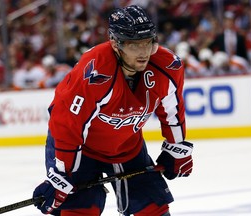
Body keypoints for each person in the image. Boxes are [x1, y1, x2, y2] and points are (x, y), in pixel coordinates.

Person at [33, 5, 193, 216]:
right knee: (80, 210)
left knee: (154, 209)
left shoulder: (167, 66)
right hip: (81, 151)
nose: (144, 52)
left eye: (148, 43)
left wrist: (176, 147)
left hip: (127, 147)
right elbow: (66, 126)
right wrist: (60, 177)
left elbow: (173, 110)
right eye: (135, 45)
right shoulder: (94, 71)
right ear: (116, 44)